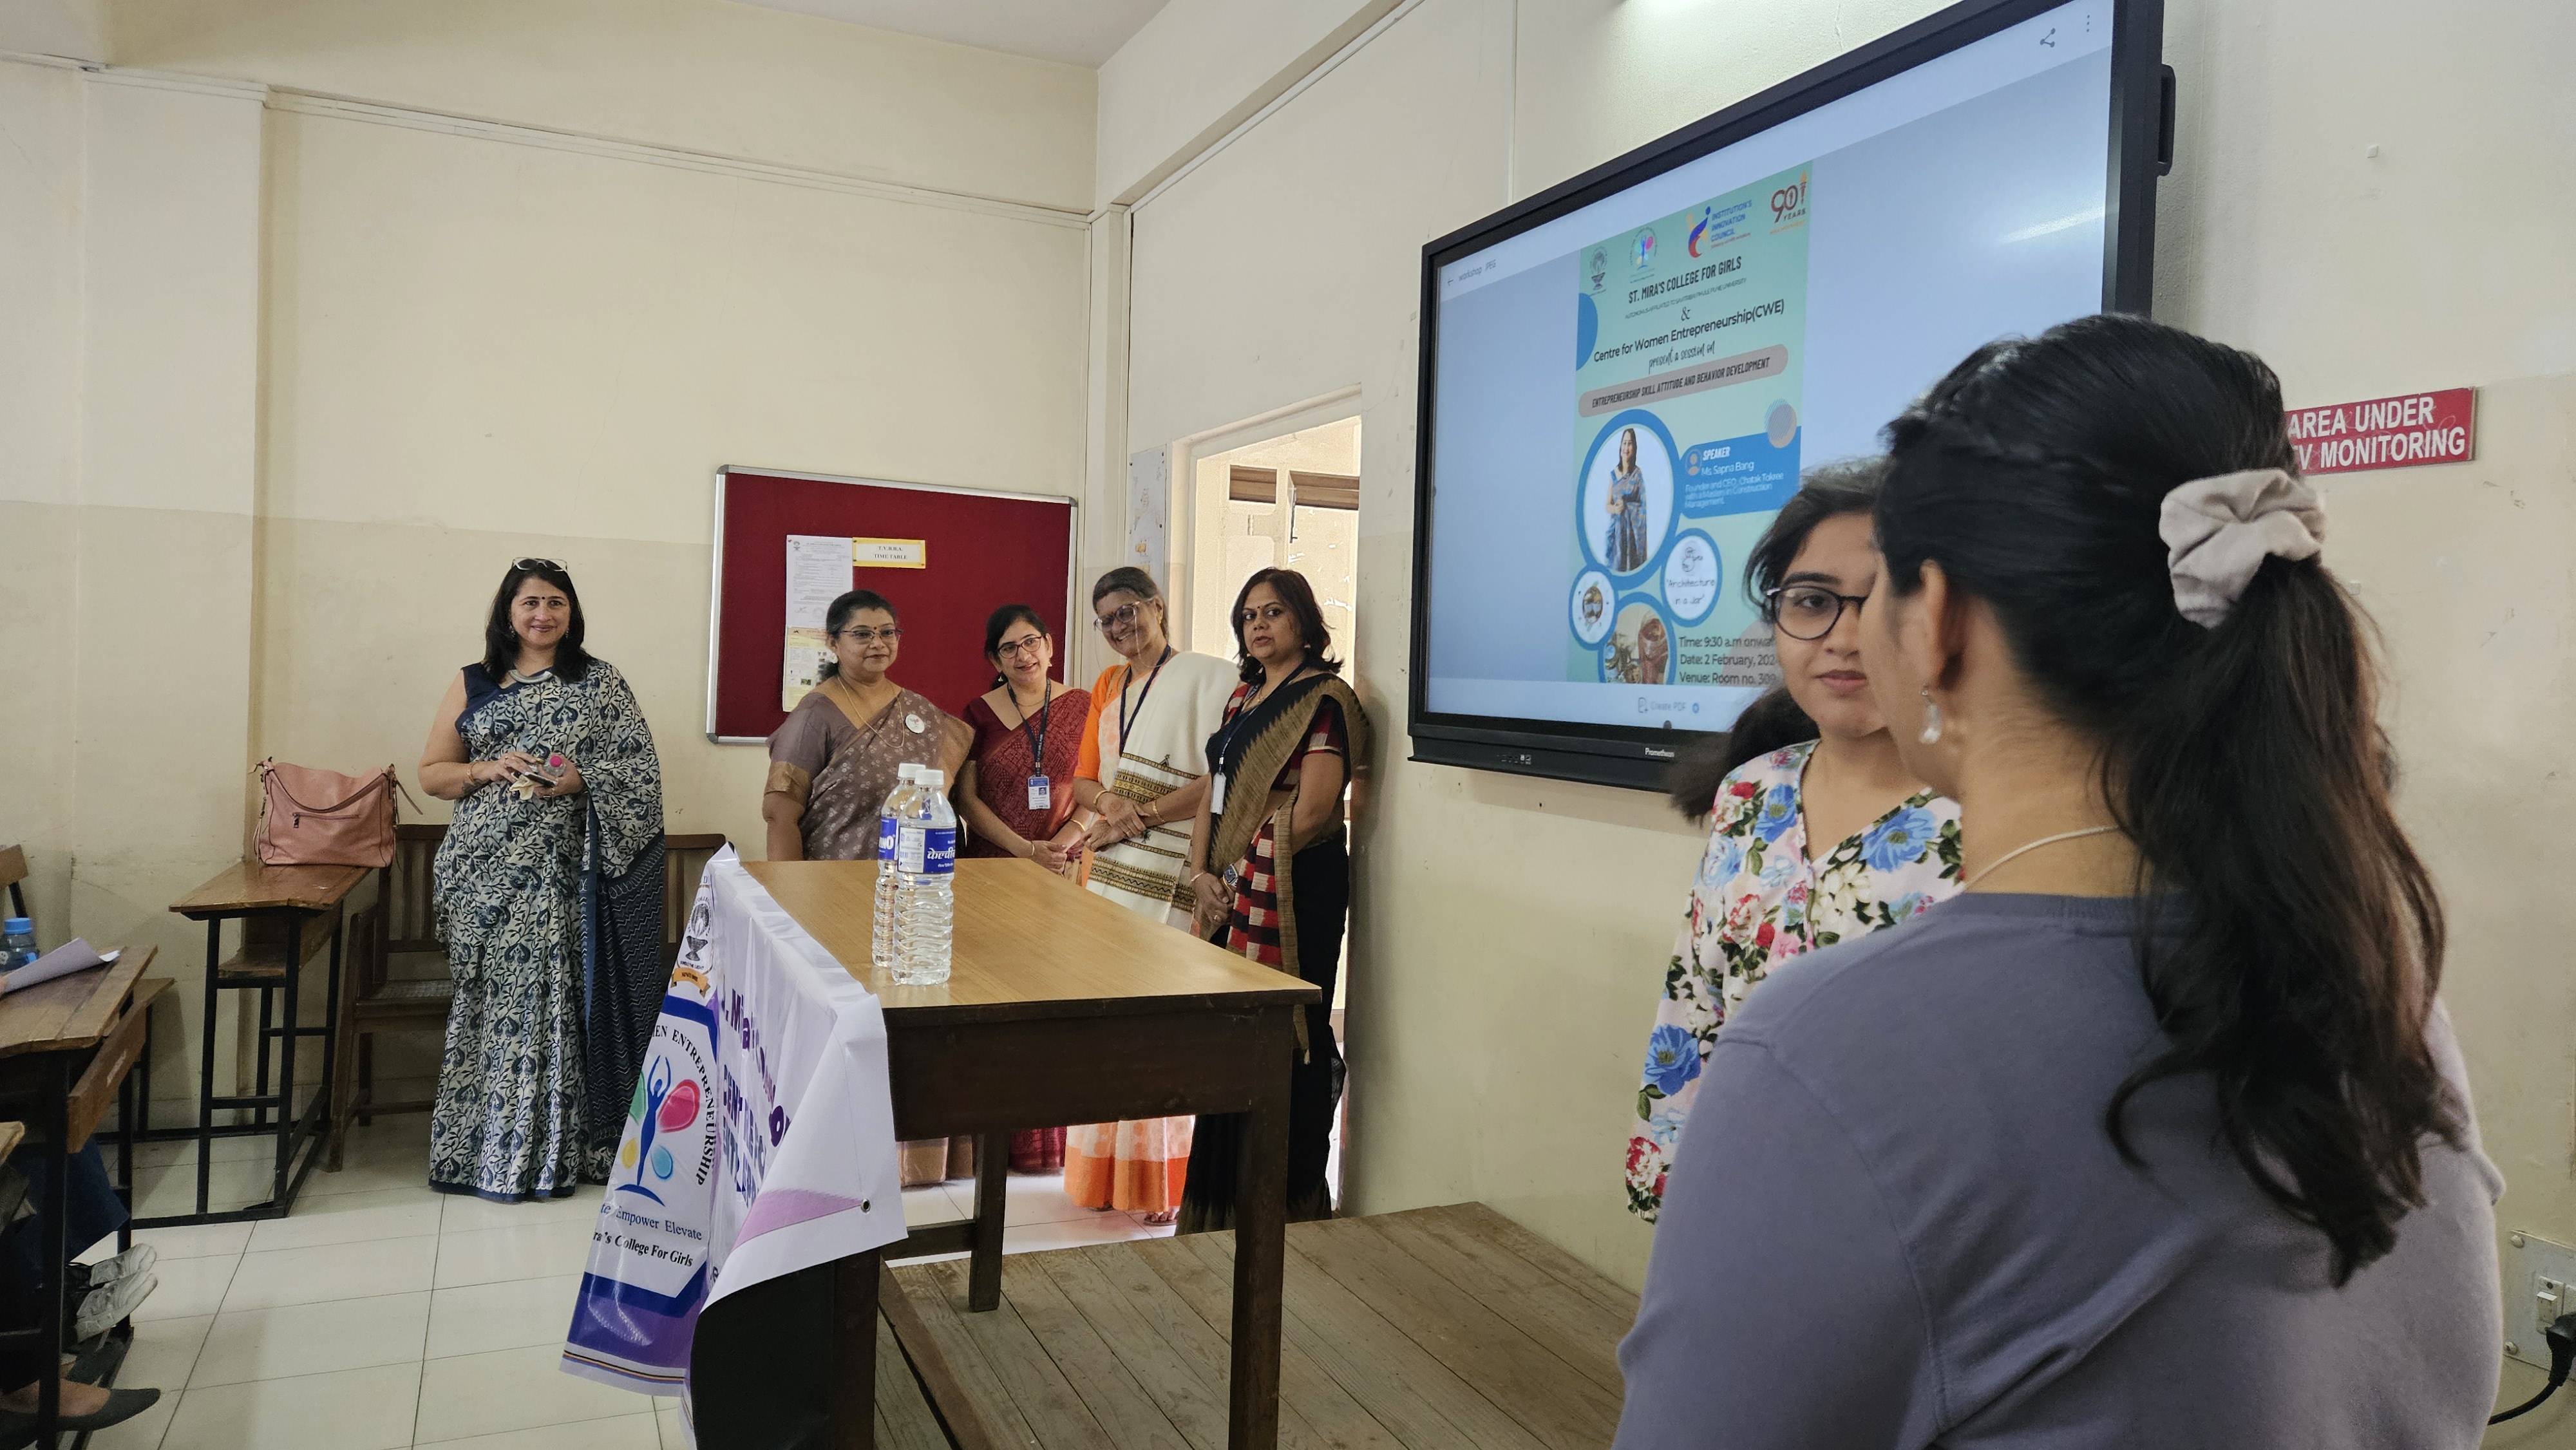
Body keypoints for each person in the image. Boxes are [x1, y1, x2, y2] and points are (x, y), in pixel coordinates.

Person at [1615, 315, 2501, 1447]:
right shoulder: (2379, 989)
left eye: (1876, 592)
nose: (1842, 634)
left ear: (1938, 620)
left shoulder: (1828, 1052)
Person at [1623, 462, 1962, 1221]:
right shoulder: (1750, 792)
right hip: (1743, 1201)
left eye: (1885, 602)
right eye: (1811, 601)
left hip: (1914, 1224)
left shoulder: (1988, 811)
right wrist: (1676, 1201)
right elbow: (1693, 1010)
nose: (1844, 638)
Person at [419, 559, 665, 1201]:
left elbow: (639, 772)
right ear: (508, 612)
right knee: (493, 1006)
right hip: (482, 874)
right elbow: (432, 772)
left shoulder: (599, 682)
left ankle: (554, 1151)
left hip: (564, 874)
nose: (543, 614)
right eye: (530, 602)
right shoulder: (475, 680)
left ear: (571, 612)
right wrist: (484, 768)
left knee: (555, 1008)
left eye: (556, 602)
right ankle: (483, 1152)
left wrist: (584, 779)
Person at [1177, 568, 1369, 1232]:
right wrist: (1198, 872)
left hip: (1293, 890)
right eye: (1248, 615)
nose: (1258, 625)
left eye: (1273, 612)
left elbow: (1312, 813)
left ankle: (1284, 1209)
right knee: (1229, 1043)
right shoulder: (1243, 699)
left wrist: (1234, 874)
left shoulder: (1324, 700)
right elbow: (1213, 794)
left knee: (1288, 1039)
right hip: (1230, 887)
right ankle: (1218, 1210)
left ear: (1305, 622)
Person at [764, 588, 971, 1185]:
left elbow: (949, 792)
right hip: (831, 896)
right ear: (833, 643)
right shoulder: (815, 714)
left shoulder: (921, 711)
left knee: (908, 1025)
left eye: (888, 632)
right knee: (843, 1030)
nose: (878, 644)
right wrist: (789, 901)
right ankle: (835, 1159)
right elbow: (780, 813)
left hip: (910, 901)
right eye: (862, 633)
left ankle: (913, 1163)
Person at [1061, 567, 1238, 1223]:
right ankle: (1105, 1175)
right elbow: (1084, 779)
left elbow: (1223, 775)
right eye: (1106, 619)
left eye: (1128, 611)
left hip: (1172, 870)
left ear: (1157, 607)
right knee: (1109, 1022)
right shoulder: (1109, 686)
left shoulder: (1210, 678)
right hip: (1109, 875)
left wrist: (1143, 814)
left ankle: (1161, 1182)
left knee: (1163, 1021)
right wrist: (1112, 805)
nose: (1119, 627)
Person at [957, 603, 1090, 1175]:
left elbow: (1099, 785)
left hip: (1065, 873)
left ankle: (1051, 1142)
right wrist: (1022, 850)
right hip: (993, 871)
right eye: (1009, 648)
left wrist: (1062, 843)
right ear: (995, 659)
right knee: (994, 1000)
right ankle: (996, 1141)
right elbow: (965, 799)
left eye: (1031, 642)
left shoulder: (1085, 706)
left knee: (1054, 999)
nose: (1023, 655)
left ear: (1051, 646)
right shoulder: (977, 713)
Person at [1606, 426, 1649, 572]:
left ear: (1634, 448)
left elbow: (1642, 506)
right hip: (1616, 534)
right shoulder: (1614, 475)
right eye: (1624, 443)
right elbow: (1608, 504)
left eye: (1630, 443)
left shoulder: (1637, 474)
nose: (1626, 447)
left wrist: (1626, 506)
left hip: (1632, 538)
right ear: (1620, 446)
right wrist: (1615, 509)